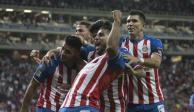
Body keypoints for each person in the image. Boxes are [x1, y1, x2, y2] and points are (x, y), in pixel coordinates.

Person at [59, 10, 125, 112]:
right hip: (89, 104)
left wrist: (116, 22)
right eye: (94, 36)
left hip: (111, 107)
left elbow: (112, 48)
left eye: (101, 35)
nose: (96, 38)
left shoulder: (121, 53)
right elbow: (69, 50)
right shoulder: (91, 53)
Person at [20, 35, 86, 112]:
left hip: (67, 109)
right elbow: (32, 85)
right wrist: (24, 109)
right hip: (47, 108)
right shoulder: (49, 62)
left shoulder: (84, 67)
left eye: (68, 52)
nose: (63, 53)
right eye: (63, 49)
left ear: (77, 54)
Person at [120, 9, 165, 112]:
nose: (130, 24)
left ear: (143, 25)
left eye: (134, 21)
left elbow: (156, 62)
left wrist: (138, 59)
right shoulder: (121, 43)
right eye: (128, 21)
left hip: (154, 101)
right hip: (131, 104)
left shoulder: (153, 42)